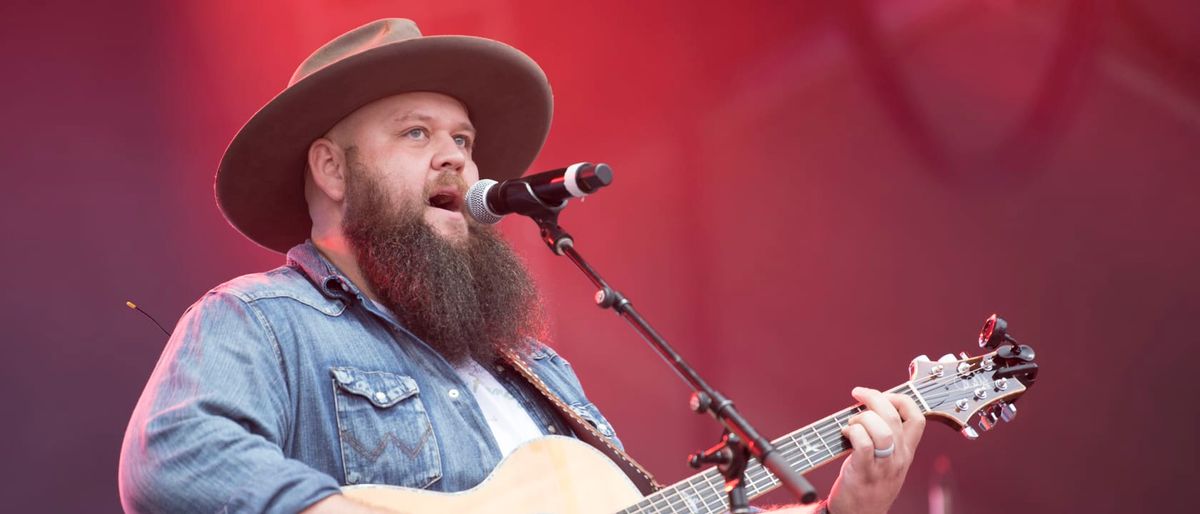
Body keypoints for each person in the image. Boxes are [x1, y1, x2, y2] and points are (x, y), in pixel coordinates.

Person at [119, 19, 925, 514]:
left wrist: (843, 508)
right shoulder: (260, 321)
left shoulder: (535, 370)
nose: (455, 162)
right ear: (331, 170)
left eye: (463, 141)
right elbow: (173, 455)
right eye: (415, 134)